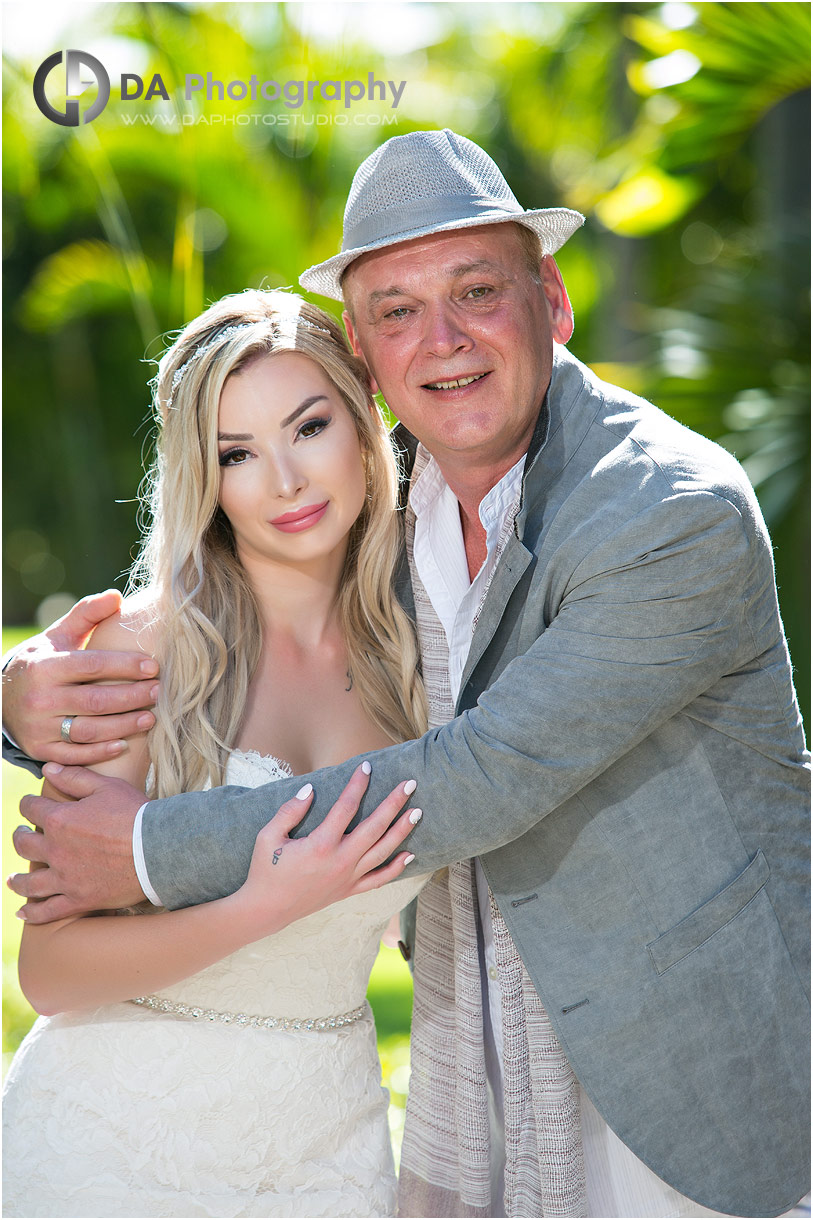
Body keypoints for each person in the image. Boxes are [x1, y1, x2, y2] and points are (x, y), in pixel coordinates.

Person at [5, 130, 810, 1218]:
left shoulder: (665, 512)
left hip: (672, 1070)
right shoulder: (392, 555)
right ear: (370, 357)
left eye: (477, 290)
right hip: (250, 1122)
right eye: (397, 311)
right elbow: (52, 956)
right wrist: (16, 702)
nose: (444, 339)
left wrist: (148, 851)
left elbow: (475, 775)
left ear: (554, 301)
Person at [2, 288, 431, 1218]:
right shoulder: (140, 653)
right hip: (114, 1146)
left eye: (308, 427)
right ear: (206, 476)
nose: (283, 480)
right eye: (237, 453)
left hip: (330, 1147)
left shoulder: (426, 657)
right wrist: (265, 904)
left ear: (364, 427)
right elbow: (50, 970)